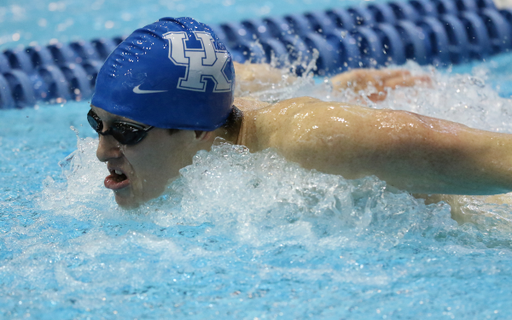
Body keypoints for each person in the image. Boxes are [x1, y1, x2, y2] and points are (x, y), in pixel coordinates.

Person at [89, 17, 512, 209]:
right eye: (97, 123)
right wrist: (332, 87)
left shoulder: (316, 141)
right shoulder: (215, 109)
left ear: (198, 130)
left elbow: (496, 158)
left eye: (126, 132)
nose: (102, 150)